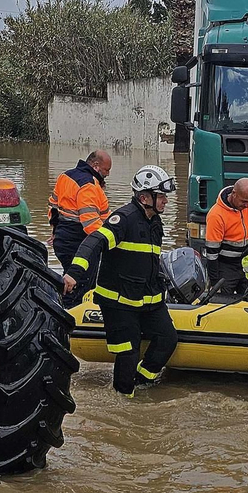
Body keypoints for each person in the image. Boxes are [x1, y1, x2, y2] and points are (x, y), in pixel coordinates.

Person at [62, 165, 179, 396]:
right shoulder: (123, 219)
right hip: (118, 301)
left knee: (168, 339)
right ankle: (123, 398)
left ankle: (142, 381)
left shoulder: (154, 221)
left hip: (147, 300)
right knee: (128, 352)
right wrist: (74, 273)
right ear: (145, 197)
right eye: (162, 196)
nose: (166, 201)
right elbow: (93, 243)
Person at [49, 150, 112, 303]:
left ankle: (61, 309)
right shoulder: (88, 185)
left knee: (69, 283)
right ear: (96, 166)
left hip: (62, 240)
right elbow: (91, 224)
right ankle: (72, 320)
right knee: (79, 289)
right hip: (78, 244)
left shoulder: (65, 176)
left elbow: (53, 208)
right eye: (106, 170)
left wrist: (55, 231)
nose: (108, 174)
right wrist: (111, 241)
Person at [204, 177, 248, 295]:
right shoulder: (216, 215)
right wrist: (215, 282)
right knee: (221, 300)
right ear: (233, 194)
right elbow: (212, 254)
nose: (247, 205)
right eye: (244, 201)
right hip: (225, 266)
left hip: (247, 262)